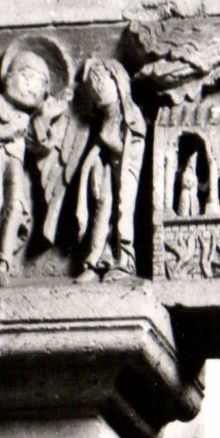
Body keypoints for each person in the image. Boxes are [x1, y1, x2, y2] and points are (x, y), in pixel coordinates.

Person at [0, 48, 54, 288]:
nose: (32, 87)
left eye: (39, 83)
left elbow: (40, 148)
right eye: (27, 77)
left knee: (16, 205)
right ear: (9, 76)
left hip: (15, 161)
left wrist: (45, 120)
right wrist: (5, 133)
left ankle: (3, 262)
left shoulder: (29, 117)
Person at [74, 58, 147, 279]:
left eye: (101, 80)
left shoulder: (130, 114)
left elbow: (132, 145)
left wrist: (107, 144)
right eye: (92, 84)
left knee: (123, 211)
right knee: (102, 208)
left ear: (118, 82)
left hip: (126, 171)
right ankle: (97, 261)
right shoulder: (107, 118)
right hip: (109, 170)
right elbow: (96, 149)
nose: (97, 88)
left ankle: (124, 261)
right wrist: (87, 172)